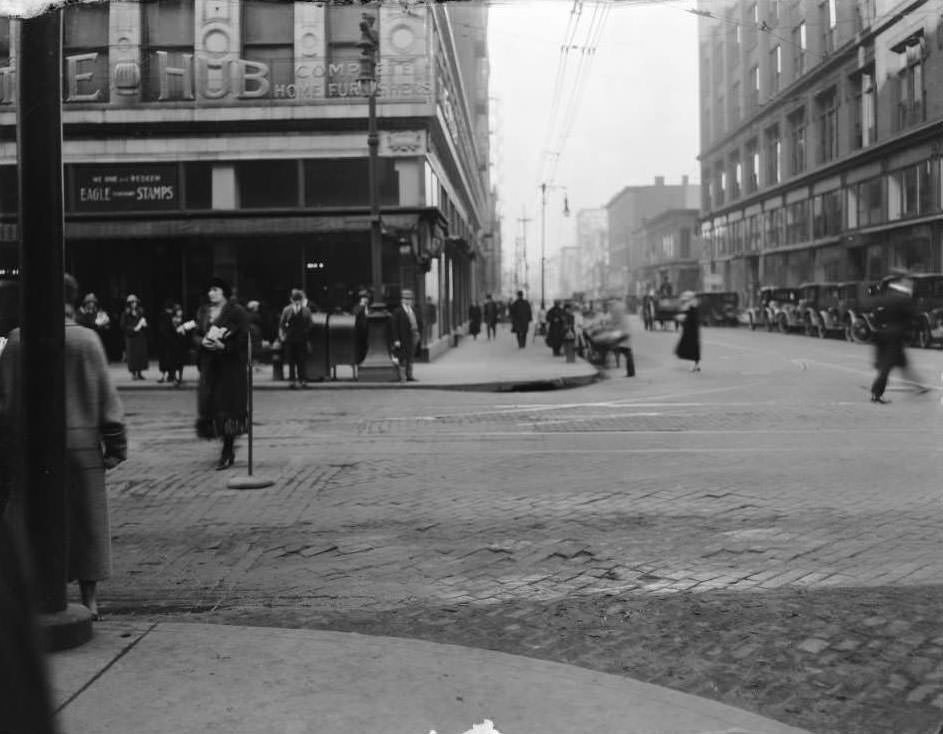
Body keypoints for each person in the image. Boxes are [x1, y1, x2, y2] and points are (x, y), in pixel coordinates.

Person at [0, 273, 127, 620]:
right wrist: (115, 445)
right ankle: (89, 600)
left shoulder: (17, 341)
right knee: (87, 524)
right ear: (72, 300)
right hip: (83, 445)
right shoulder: (88, 340)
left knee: (28, 521)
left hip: (32, 449)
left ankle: (32, 594)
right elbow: (107, 399)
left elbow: (6, 403)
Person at [193, 277, 249, 470]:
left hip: (230, 368)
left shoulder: (236, 312)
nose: (211, 293)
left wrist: (225, 346)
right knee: (211, 405)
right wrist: (201, 342)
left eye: (215, 290)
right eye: (209, 290)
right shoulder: (203, 311)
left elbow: (244, 338)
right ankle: (223, 443)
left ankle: (228, 449)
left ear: (224, 292)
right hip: (210, 366)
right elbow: (196, 332)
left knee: (228, 408)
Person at [869, 277, 927, 403]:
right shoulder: (902, 299)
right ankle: (876, 393)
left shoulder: (880, 299)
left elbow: (874, 316)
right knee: (887, 366)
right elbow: (913, 316)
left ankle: (918, 386)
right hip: (895, 336)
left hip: (881, 335)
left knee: (902, 363)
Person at [278, 289, 312, 389]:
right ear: (291, 300)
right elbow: (282, 324)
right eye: (295, 299)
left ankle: (302, 380)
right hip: (290, 338)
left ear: (301, 300)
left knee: (302, 360)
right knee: (291, 360)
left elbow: (310, 323)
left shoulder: (306, 310)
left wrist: (306, 331)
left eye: (299, 299)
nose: (297, 301)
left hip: (302, 338)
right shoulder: (287, 310)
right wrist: (282, 336)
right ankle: (292, 380)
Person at [390, 288, 422, 383]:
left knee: (411, 356)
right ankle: (403, 377)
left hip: (414, 335)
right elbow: (394, 327)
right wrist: (396, 339)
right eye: (406, 298)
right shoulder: (398, 312)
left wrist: (419, 333)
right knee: (402, 357)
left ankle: (410, 375)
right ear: (402, 300)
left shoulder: (414, 310)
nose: (408, 300)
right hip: (403, 337)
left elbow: (419, 322)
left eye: (409, 299)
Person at [120, 294, 148, 380]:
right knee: (132, 356)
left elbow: (144, 321)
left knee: (140, 355)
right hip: (131, 337)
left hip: (140, 337)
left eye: (135, 302)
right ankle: (133, 373)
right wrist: (132, 329)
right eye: (132, 302)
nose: (134, 303)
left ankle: (139, 373)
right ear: (129, 303)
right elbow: (123, 325)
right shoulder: (126, 313)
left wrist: (144, 325)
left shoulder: (140, 311)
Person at [675, 290, 701, 372]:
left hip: (691, 330)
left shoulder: (691, 306)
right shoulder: (692, 305)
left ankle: (695, 365)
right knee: (693, 348)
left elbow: (690, 318)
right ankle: (696, 365)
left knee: (692, 348)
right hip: (692, 330)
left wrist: (682, 319)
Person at [155, 299, 178, 383]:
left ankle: (164, 376)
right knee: (170, 360)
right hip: (169, 341)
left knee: (164, 360)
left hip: (163, 341)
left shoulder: (162, 316)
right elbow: (168, 329)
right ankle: (170, 376)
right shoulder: (169, 316)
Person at [352, 289, 371, 364]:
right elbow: (355, 314)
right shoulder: (357, 307)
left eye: (367, 298)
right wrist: (361, 306)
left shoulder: (369, 308)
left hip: (368, 332)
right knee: (360, 350)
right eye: (364, 298)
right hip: (359, 332)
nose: (366, 300)